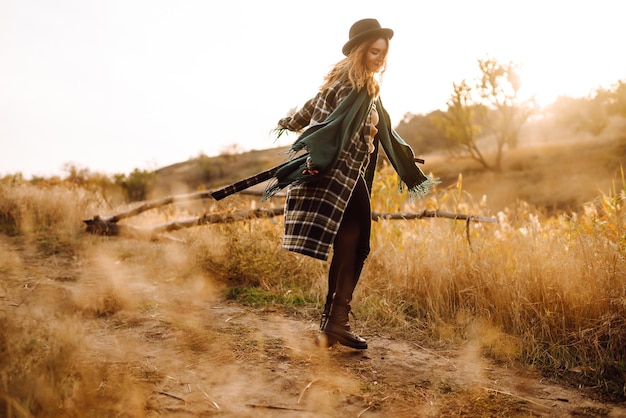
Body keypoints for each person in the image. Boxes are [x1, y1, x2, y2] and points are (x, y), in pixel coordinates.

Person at [267, 18, 437, 349]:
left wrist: (291, 121)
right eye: (374, 51)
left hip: (345, 172)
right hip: (340, 172)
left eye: (383, 54)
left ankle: (332, 325)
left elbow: (312, 110)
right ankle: (335, 323)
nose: (380, 59)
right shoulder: (355, 85)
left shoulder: (349, 81)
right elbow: (327, 123)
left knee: (349, 244)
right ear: (361, 50)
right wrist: (314, 151)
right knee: (357, 246)